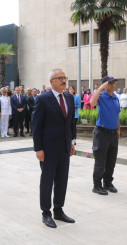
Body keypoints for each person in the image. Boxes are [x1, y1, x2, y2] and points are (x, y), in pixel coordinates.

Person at [32, 68, 76, 229]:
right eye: (60, 78)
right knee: (47, 181)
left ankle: (58, 210)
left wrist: (72, 142)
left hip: (64, 147)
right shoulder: (43, 99)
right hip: (48, 149)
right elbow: (36, 126)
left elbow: (71, 123)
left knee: (62, 180)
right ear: (52, 82)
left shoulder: (70, 98)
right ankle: (46, 213)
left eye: (65, 77)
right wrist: (38, 149)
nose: (64, 81)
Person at [89, 76, 121, 195]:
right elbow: (92, 102)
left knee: (111, 161)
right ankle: (96, 185)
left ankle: (107, 183)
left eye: (114, 82)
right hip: (101, 133)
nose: (113, 85)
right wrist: (101, 88)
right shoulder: (101, 97)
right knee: (100, 161)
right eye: (110, 83)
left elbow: (117, 115)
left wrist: (118, 130)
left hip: (113, 134)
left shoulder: (115, 98)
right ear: (105, 85)